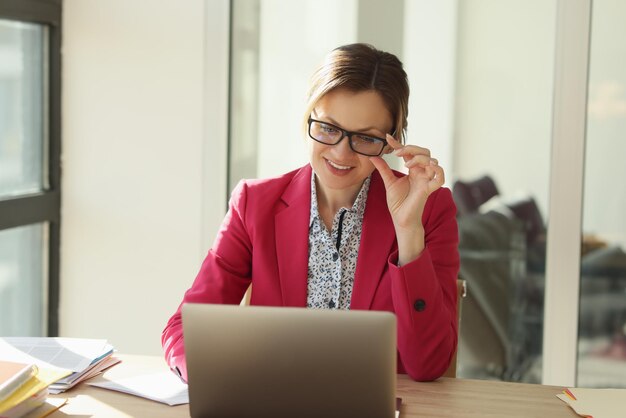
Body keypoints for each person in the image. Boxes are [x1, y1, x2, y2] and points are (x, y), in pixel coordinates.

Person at [162, 43, 460, 382]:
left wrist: (408, 233)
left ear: (393, 140)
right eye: (328, 129)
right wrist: (220, 376)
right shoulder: (254, 204)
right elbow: (183, 329)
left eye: (365, 138)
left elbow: (429, 364)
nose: (341, 152)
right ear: (308, 117)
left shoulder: (430, 209)